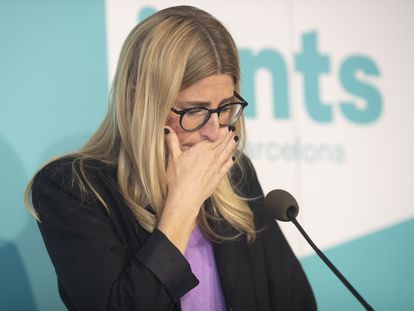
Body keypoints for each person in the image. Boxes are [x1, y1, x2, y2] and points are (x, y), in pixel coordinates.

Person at [25, 5, 316, 311]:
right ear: (139, 99)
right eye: (195, 111)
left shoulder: (233, 173)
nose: (215, 133)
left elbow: (295, 300)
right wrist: (182, 205)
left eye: (225, 107)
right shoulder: (72, 188)